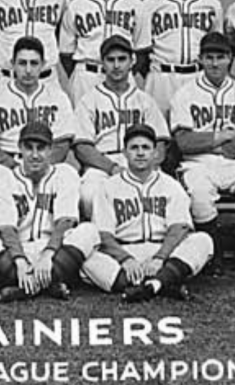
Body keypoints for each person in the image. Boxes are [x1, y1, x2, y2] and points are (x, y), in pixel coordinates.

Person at [170, 32, 235, 278]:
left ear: (231, 59)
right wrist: (221, 137)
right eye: (209, 57)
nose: (215, 63)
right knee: (201, 198)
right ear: (200, 59)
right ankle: (212, 255)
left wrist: (206, 142)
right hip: (196, 164)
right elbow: (183, 143)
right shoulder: (185, 93)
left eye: (221, 57)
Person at [82, 124, 214, 302]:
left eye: (146, 147)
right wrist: (126, 259)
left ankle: (145, 285)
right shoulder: (108, 186)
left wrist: (159, 258)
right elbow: (103, 234)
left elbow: (179, 227)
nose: (140, 153)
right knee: (85, 259)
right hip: (124, 250)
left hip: (163, 251)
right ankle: (164, 283)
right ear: (124, 152)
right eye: (134, 148)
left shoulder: (170, 185)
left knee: (203, 240)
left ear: (155, 153)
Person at [0, 122, 99, 302]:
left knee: (89, 231)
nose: (34, 155)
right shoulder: (6, 180)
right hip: (17, 251)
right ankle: (50, 284)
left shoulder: (64, 175)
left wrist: (47, 255)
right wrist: (20, 261)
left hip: (55, 251)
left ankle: (22, 289)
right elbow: (6, 229)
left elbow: (65, 223)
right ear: (20, 149)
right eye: (28, 148)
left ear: (50, 150)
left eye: (41, 148)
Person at [0, 36, 76, 215]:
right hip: (8, 164)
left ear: (43, 65)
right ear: (12, 64)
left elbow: (62, 144)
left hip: (46, 165)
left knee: (69, 174)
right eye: (22, 63)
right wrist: (17, 169)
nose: (28, 70)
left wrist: (41, 168)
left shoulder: (58, 97)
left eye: (34, 63)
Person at [74, 35, 169, 219]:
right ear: (102, 64)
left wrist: (143, 165)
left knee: (162, 192)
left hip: (141, 162)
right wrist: (112, 168)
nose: (116, 65)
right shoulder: (89, 100)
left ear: (132, 61)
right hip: (102, 165)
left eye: (122, 59)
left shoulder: (144, 100)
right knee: (88, 195)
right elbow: (82, 148)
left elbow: (161, 144)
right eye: (110, 60)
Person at [136, 0, 222, 114]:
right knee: (159, 134)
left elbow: (218, 47)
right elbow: (142, 52)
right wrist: (155, 74)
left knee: (197, 133)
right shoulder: (151, 3)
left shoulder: (211, 3)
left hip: (197, 75)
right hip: (162, 77)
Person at [60, 0, 145, 104]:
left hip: (123, 77)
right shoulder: (76, 5)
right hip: (87, 76)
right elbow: (66, 54)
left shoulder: (134, 4)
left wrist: (124, 71)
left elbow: (142, 50)